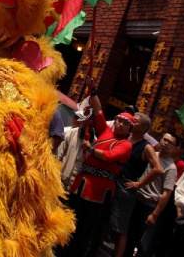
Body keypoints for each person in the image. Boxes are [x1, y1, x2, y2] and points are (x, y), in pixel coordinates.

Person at [58, 82, 134, 257]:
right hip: (82, 182)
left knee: (85, 226)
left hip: (99, 190)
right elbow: (98, 112)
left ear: (130, 129)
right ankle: (62, 249)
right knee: (70, 218)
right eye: (119, 120)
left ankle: (74, 252)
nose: (120, 124)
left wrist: (90, 149)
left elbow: (110, 157)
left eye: (125, 123)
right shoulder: (106, 133)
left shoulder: (125, 145)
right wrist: (93, 92)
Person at [109, 111, 163, 257]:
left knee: (120, 229)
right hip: (113, 179)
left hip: (126, 186)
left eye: (136, 121)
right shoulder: (125, 138)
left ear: (145, 127)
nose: (132, 122)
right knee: (105, 220)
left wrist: (138, 184)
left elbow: (158, 169)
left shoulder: (146, 147)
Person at [123, 132, 179, 257]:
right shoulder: (152, 155)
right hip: (136, 199)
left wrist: (155, 214)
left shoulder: (171, 168)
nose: (166, 143)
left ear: (174, 148)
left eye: (170, 142)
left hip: (150, 207)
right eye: (164, 139)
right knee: (128, 237)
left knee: (142, 244)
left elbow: (166, 193)